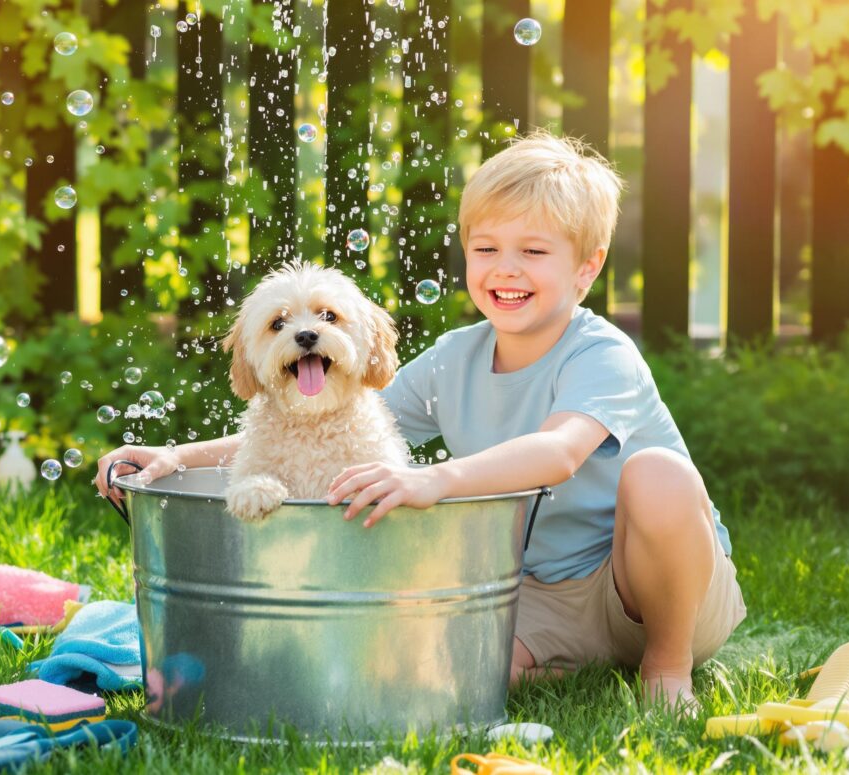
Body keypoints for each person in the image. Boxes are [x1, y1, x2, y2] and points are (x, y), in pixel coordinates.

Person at [96, 130, 746, 710]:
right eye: (487, 246)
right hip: (538, 596)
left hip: (648, 582)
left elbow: (560, 451)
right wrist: (176, 456)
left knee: (658, 474)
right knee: (431, 675)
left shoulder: (601, 352)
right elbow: (317, 419)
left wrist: (437, 480)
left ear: (587, 266)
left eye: (534, 251)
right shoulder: (454, 358)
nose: (507, 268)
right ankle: (564, 660)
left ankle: (666, 666)